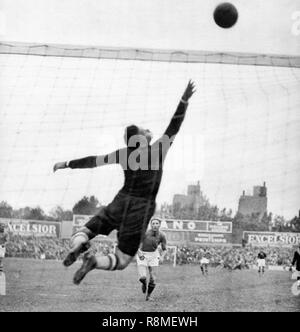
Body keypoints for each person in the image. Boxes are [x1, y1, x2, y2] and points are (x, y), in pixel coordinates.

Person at [53, 80, 196, 284]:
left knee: (84, 232)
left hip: (120, 202)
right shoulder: (157, 150)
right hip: (141, 208)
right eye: (145, 130)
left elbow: (93, 161)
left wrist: (66, 163)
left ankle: (80, 245)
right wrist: (184, 101)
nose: (148, 130)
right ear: (140, 138)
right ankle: (94, 262)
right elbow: (175, 125)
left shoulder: (122, 154)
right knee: (121, 260)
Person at [136, 218, 167, 301]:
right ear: (151, 224)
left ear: (159, 225)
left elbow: (164, 249)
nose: (155, 225)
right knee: (143, 277)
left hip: (154, 255)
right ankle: (144, 283)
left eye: (157, 223)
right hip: (143, 254)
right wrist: (139, 252)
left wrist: (162, 256)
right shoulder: (145, 233)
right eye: (153, 223)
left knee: (153, 279)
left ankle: (148, 296)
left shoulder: (162, 235)